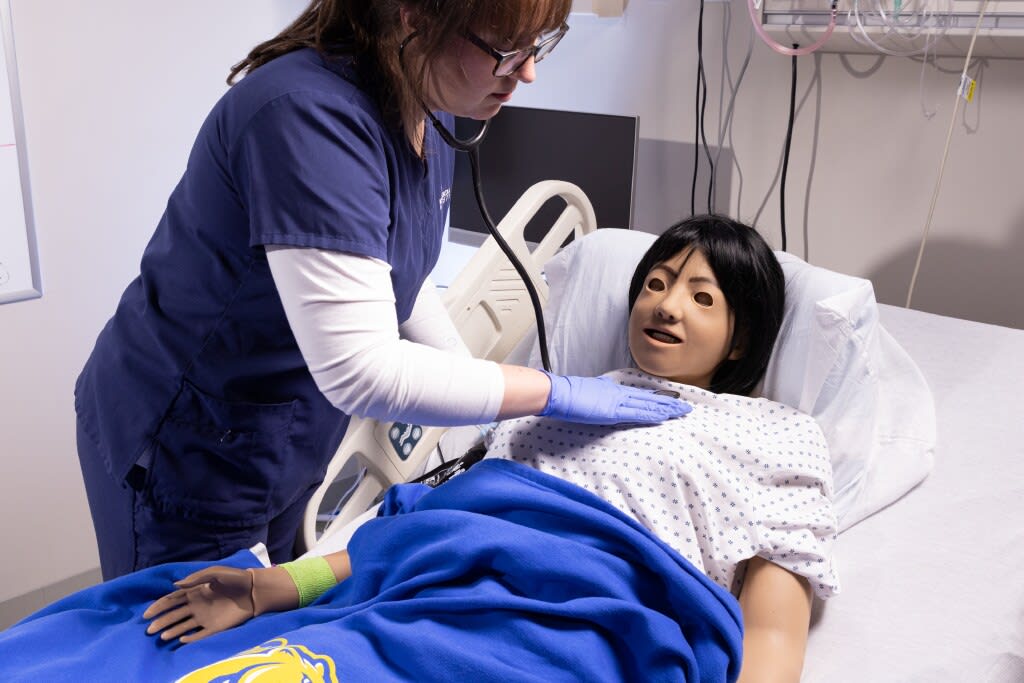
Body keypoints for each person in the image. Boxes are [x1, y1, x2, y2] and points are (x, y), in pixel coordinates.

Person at [73, 0, 690, 581]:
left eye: (539, 45)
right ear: (414, 16)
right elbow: (362, 370)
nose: (526, 72)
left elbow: (396, 275)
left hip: (276, 436)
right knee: (177, 647)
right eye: (506, 48)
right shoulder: (307, 117)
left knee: (261, 628)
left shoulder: (427, 99)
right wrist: (547, 394)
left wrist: (476, 423)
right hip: (188, 446)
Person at [138, 216, 839, 682]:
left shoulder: (773, 432)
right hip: (433, 588)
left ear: (743, 338)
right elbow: (446, 531)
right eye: (654, 284)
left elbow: (773, 628)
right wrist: (274, 586)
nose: (665, 304)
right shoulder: (556, 395)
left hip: (577, 618)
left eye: (701, 295)